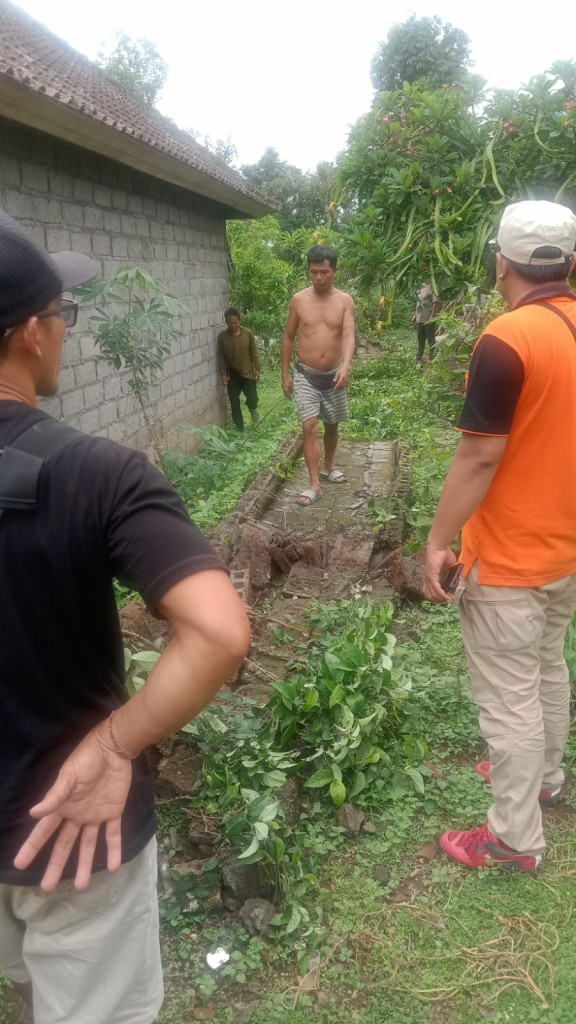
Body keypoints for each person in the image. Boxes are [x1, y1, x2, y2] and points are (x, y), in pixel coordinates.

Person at [0, 211, 251, 1024]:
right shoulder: (98, 475)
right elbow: (216, 632)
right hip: (72, 835)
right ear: (31, 334)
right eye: (61, 315)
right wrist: (113, 745)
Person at [424, 200, 576, 874]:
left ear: (501, 264)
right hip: (565, 548)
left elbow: (480, 457)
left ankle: (514, 838)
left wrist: (437, 539)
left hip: (510, 557)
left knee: (510, 695)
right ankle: (546, 778)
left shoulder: (507, 338)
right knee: (547, 665)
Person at [281, 244, 355, 507]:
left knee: (332, 423)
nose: (319, 278)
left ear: (335, 271)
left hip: (334, 375)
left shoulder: (345, 301)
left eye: (324, 272)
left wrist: (346, 366)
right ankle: (314, 484)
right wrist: (285, 375)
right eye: (313, 272)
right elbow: (288, 337)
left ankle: (329, 464)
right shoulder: (299, 300)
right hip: (305, 375)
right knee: (309, 426)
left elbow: (348, 334)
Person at [217, 307, 261, 431]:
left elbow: (254, 352)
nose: (232, 325)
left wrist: (257, 368)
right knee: (234, 402)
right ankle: (239, 428)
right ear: (226, 322)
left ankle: (254, 413)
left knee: (252, 398)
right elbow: (220, 357)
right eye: (230, 323)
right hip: (233, 374)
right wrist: (223, 374)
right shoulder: (222, 337)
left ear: (239, 321)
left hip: (248, 373)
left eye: (235, 323)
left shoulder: (248, 333)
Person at [412, 281, 438, 363]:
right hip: (420, 317)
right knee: (421, 338)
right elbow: (418, 302)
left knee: (431, 338)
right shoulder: (420, 286)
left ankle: (431, 357)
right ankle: (419, 357)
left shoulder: (433, 286)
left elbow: (435, 302)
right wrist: (415, 315)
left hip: (428, 317)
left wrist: (432, 316)